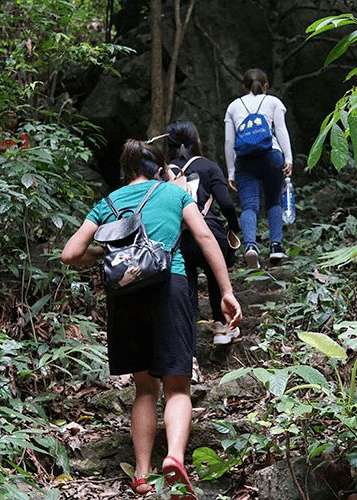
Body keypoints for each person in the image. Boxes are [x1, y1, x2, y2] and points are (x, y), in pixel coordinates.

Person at [61, 139, 242, 498]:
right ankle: (174, 458)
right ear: (158, 167)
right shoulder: (173, 195)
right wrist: (225, 290)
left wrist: (105, 253)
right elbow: (205, 236)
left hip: (125, 297)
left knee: (145, 388)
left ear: (126, 169)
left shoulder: (107, 203)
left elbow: (70, 253)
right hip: (169, 287)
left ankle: (141, 474)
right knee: (177, 386)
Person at [166, 120, 241, 345]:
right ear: (196, 141)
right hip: (209, 230)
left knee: (187, 286)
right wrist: (234, 228)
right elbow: (227, 204)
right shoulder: (208, 166)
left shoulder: (164, 172)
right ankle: (221, 326)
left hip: (180, 237)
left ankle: (188, 345)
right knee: (215, 275)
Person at [224, 68, 293, 268]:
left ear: (244, 87)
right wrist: (288, 159)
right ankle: (276, 246)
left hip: (245, 160)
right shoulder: (273, 102)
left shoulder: (233, 106)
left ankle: (251, 247)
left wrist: (230, 171)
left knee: (249, 206)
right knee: (273, 202)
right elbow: (280, 130)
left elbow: (229, 140)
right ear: (266, 86)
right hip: (271, 156)